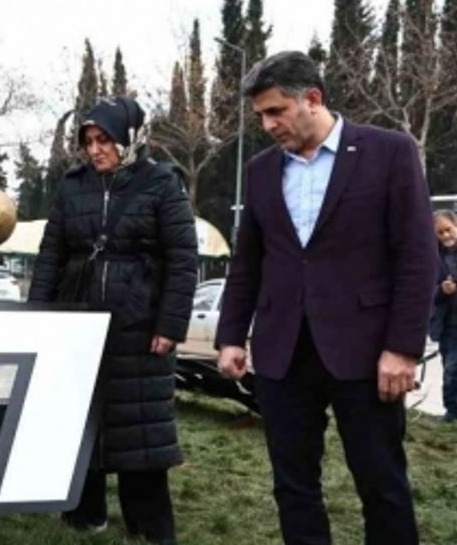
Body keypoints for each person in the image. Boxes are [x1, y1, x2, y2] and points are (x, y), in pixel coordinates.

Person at [215, 51, 434, 545]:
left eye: (276, 111)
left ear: (312, 99)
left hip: (367, 353)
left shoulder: (390, 152)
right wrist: (231, 335)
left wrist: (402, 348)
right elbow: (248, 262)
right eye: (261, 116)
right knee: (293, 488)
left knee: (382, 485)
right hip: (283, 353)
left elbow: (417, 258)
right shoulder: (260, 170)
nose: (268, 125)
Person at [29, 96, 197, 545]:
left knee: (140, 426)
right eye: (88, 140)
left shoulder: (163, 185)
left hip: (138, 324)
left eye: (104, 139)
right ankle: (84, 516)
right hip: (77, 321)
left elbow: (182, 260)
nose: (95, 149)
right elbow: (51, 256)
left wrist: (170, 325)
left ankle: (148, 526)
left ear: (130, 138)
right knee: (81, 420)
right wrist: (38, 319)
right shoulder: (72, 186)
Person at [431, 209, 457, 422]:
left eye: (448, 230)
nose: (446, 235)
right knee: (450, 369)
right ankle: (452, 410)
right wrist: (442, 290)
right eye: (440, 233)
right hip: (447, 325)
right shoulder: (432, 259)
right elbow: (426, 292)